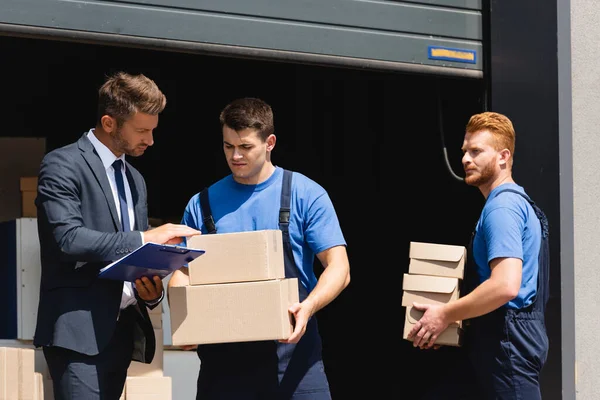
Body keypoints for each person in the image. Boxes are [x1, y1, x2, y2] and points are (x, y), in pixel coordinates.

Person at [168, 97, 351, 399]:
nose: (235, 156)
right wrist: (183, 320)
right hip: (224, 364)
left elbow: (340, 268)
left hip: (293, 358)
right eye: (228, 146)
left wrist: (308, 307)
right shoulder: (202, 204)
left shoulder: (305, 194)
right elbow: (183, 271)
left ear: (270, 143)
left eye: (246, 147)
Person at [33, 71, 200, 400]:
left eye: (153, 131)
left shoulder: (135, 179)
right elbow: (69, 240)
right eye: (142, 130)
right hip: (77, 335)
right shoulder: (62, 164)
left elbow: (129, 255)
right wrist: (146, 238)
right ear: (109, 123)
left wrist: (149, 289)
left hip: (119, 335)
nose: (150, 141)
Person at [407, 111, 550, 400]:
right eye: (464, 151)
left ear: (503, 156)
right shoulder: (517, 202)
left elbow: (505, 286)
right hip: (500, 340)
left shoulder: (502, 209)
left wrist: (444, 314)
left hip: (506, 345)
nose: (465, 159)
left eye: (476, 151)